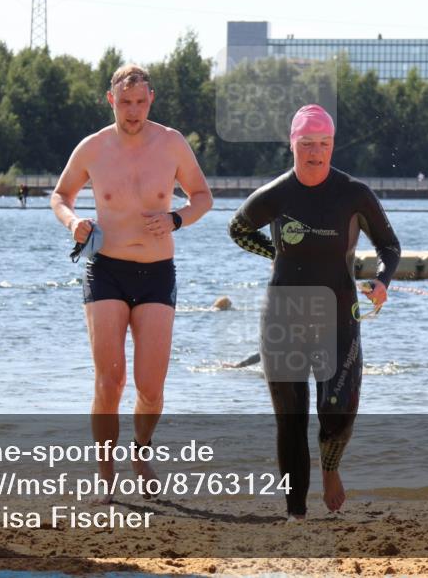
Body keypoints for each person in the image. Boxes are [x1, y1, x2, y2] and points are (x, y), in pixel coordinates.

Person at [228, 104, 401, 519]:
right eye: (306, 143)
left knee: (338, 412)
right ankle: (296, 514)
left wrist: (381, 281)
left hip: (339, 313)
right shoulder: (276, 194)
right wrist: (276, 252)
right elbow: (237, 230)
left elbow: (389, 247)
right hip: (283, 314)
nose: (315, 152)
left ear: (332, 145)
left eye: (323, 143)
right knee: (290, 419)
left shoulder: (354, 194)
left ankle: (331, 467)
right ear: (293, 145)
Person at [51, 64, 213, 496]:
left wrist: (176, 218)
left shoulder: (171, 143)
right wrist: (73, 224)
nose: (134, 111)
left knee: (150, 387)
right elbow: (60, 196)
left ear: (151, 100)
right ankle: (106, 473)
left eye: (141, 102)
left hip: (158, 274)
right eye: (125, 103)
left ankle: (140, 450)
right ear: (111, 101)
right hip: (105, 269)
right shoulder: (93, 148)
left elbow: (203, 197)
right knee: (110, 379)